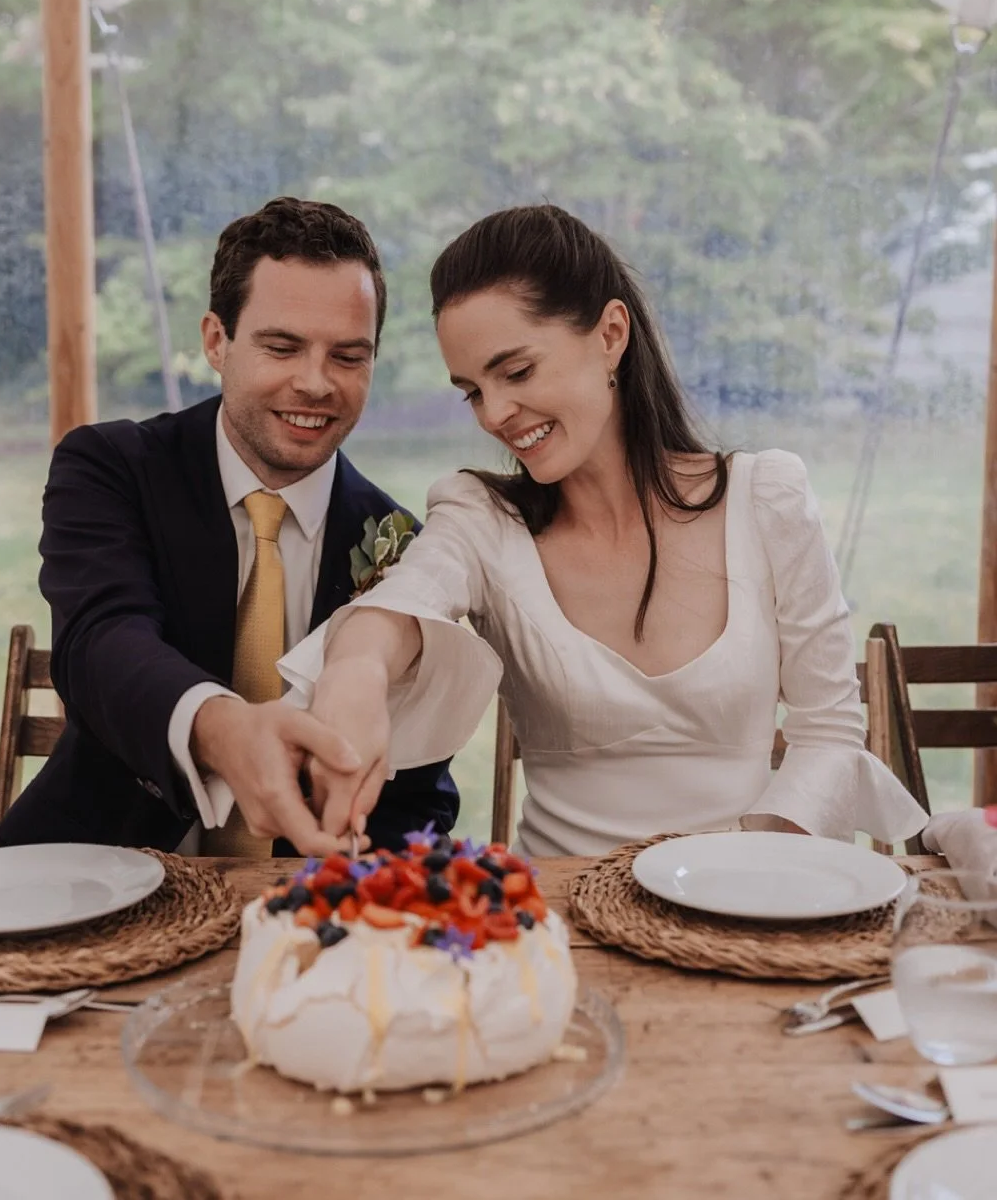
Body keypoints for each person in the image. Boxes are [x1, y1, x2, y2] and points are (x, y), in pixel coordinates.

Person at [280, 204, 930, 856]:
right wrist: (356, 670)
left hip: (749, 897)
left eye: (516, 371)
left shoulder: (767, 498)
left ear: (610, 334)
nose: (496, 413)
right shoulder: (482, 517)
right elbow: (407, 599)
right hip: (564, 920)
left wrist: (753, 866)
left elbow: (829, 731)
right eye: (473, 391)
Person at [0, 197, 458, 857]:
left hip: (301, 910)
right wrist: (223, 730)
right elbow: (101, 642)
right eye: (283, 346)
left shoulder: (398, 538)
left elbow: (416, 787)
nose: (316, 383)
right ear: (217, 341)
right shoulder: (110, 468)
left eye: (348, 356)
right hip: (93, 875)